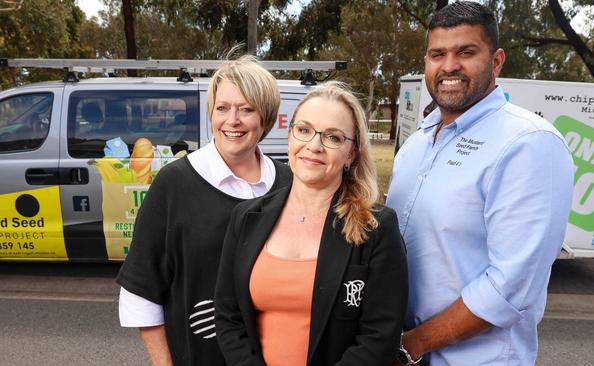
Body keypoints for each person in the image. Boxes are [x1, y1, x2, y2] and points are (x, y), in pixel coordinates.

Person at [386, 2, 574, 365]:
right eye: (437, 54)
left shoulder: (527, 143)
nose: (449, 66)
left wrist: (411, 344)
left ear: (497, 60)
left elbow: (510, 288)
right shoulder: (417, 143)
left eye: (466, 52)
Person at [214, 81, 408, 366]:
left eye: (333, 137)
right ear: (290, 137)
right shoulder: (246, 219)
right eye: (304, 130)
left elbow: (380, 336)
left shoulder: (376, 227)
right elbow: (228, 317)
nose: (313, 146)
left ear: (351, 153)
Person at [116, 55, 293, 365]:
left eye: (246, 109)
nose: (232, 120)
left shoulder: (289, 184)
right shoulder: (175, 183)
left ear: (266, 117)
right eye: (222, 108)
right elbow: (141, 289)